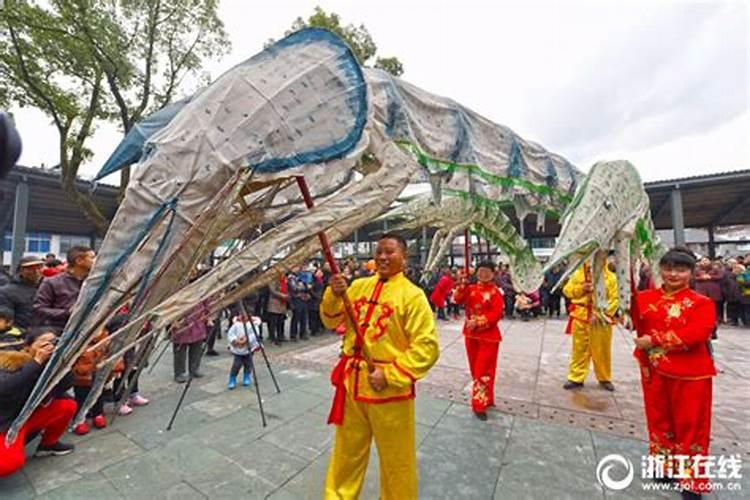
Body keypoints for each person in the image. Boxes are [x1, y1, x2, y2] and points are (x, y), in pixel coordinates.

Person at [321, 233, 440, 500]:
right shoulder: (358, 286)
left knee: (396, 459)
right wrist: (334, 293)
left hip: (389, 391)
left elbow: (427, 347)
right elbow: (331, 321)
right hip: (352, 384)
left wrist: (390, 373)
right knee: (346, 452)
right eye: (379, 252)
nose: (383, 257)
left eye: (390, 252)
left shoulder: (413, 296)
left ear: (404, 257)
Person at [633, 247, 716, 498]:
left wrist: (655, 339)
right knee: (659, 420)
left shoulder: (702, 303)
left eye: (680, 269)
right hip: (654, 370)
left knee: (690, 425)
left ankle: (691, 480)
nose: (673, 274)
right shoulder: (645, 298)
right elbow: (631, 318)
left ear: (691, 273)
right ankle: (664, 466)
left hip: (689, 374)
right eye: (668, 268)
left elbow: (697, 334)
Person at [0, 328, 76, 477]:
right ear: (27, 347)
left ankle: (48, 445)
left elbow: (65, 386)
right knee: (9, 464)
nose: (48, 346)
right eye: (43, 343)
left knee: (67, 405)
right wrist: (36, 362)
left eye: (53, 342)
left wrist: (62, 363)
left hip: (25, 417)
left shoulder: (46, 365)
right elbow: (5, 388)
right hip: (4, 423)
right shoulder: (7, 360)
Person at [453, 261, 504, 420]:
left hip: (489, 337)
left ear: (493, 274)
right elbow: (457, 299)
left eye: (487, 271)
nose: (483, 274)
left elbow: (496, 315)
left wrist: (479, 321)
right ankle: (487, 398)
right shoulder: (471, 289)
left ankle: (479, 404)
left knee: (484, 370)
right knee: (476, 370)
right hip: (470, 335)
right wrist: (462, 284)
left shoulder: (496, 293)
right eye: (481, 271)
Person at [562, 257, 618, 391]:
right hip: (580, 316)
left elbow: (615, 300)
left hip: (601, 321)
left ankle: (604, 378)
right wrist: (581, 289)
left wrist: (600, 315)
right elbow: (567, 291)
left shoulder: (610, 278)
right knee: (579, 349)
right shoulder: (577, 275)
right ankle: (576, 377)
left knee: (602, 350)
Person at [33, 246, 95, 330]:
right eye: (92, 257)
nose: (96, 261)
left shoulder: (94, 282)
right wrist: (67, 313)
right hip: (59, 329)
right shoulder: (52, 282)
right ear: (79, 261)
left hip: (88, 329)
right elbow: (39, 309)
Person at [0, 256, 45, 331]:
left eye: (39, 268)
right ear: (21, 270)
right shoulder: (6, 292)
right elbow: (5, 320)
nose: (36, 272)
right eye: (31, 269)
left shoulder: (49, 288)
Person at [171, 301, 209, 383]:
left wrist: (207, 316)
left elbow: (206, 302)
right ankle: (179, 372)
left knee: (197, 348)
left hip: (198, 321)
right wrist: (173, 321)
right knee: (180, 350)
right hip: (182, 322)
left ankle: (194, 369)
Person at [226, 315, 260, 389]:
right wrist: (235, 340)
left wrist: (247, 339)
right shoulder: (236, 324)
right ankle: (232, 378)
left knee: (248, 363)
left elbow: (255, 334)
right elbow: (230, 334)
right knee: (236, 364)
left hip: (249, 348)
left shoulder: (253, 324)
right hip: (238, 348)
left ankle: (246, 376)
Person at [265, 270, 288, 345]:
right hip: (274, 304)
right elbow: (272, 291)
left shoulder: (284, 280)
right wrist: (282, 295)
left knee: (281, 322)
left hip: (282, 304)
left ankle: (280, 336)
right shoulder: (273, 279)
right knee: (273, 322)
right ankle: (272, 337)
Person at [288, 266, 311, 341]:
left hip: (303, 298)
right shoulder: (291, 277)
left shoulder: (301, 276)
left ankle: (303, 333)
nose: (298, 269)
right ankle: (293, 334)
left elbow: (307, 286)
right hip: (296, 299)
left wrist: (306, 287)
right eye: (296, 267)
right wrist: (304, 287)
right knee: (296, 317)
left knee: (304, 316)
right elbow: (294, 287)